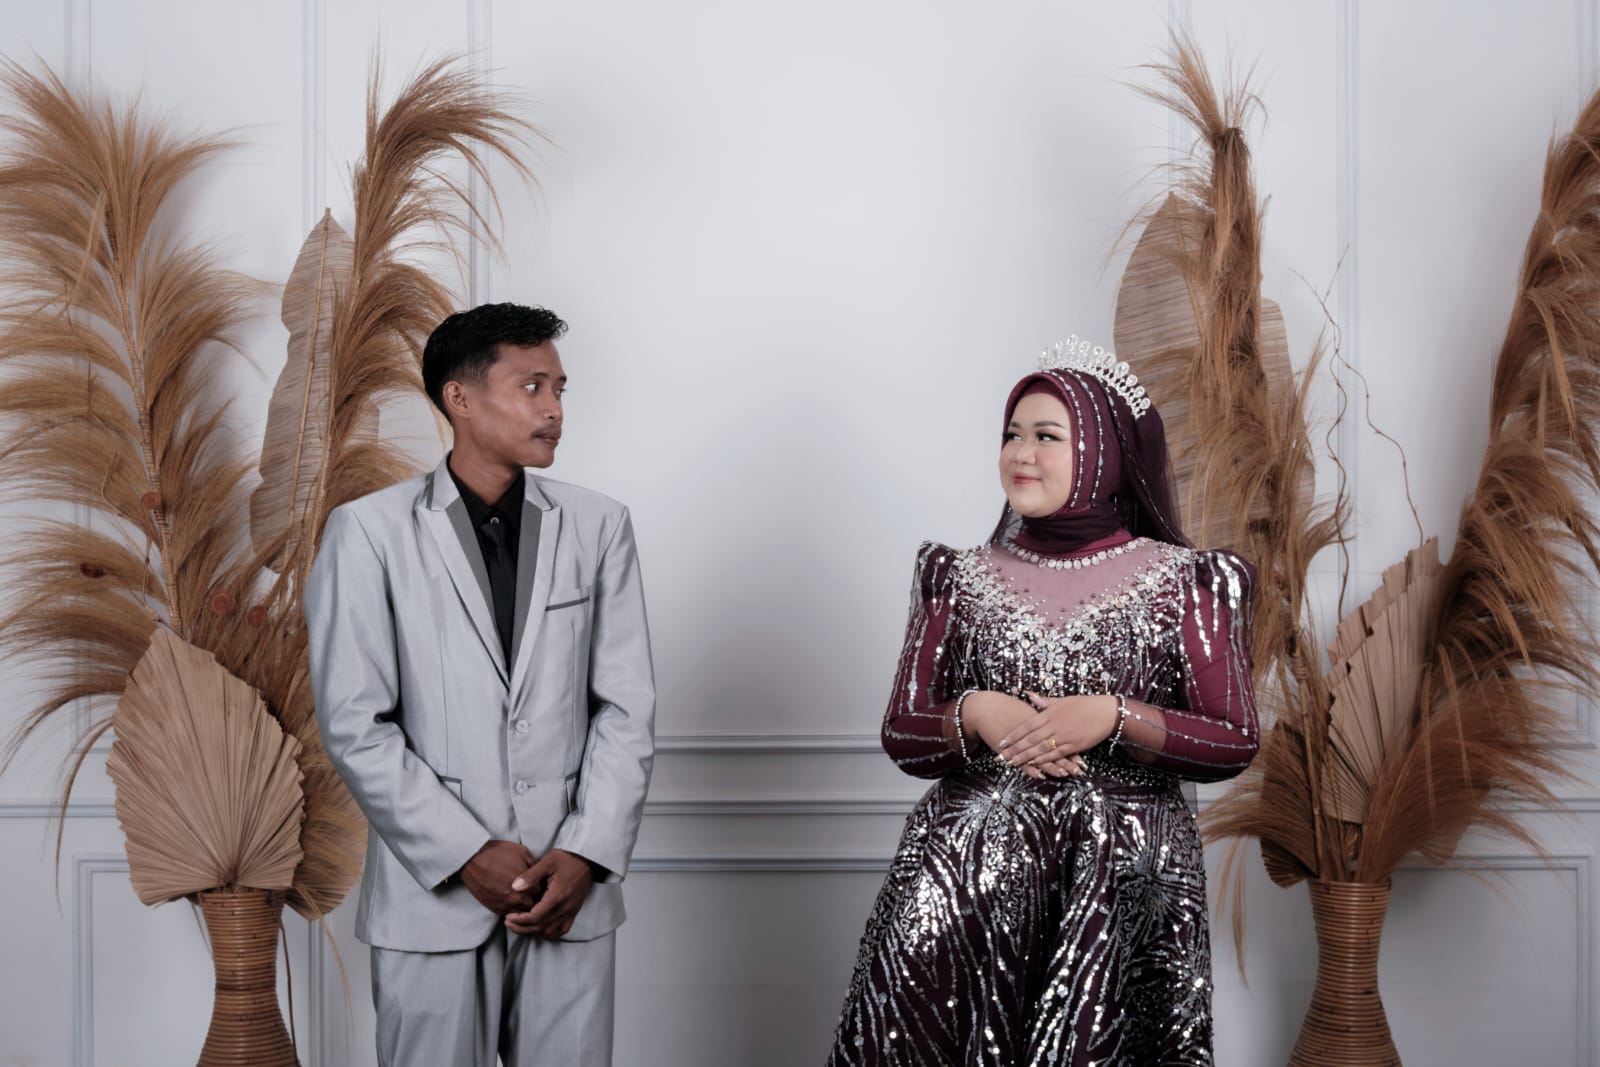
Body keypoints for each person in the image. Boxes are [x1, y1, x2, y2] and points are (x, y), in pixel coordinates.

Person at [828, 337, 1258, 1066]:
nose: (1021, 453)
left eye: (1047, 436)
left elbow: (1234, 737)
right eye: (1012, 434)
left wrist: (1112, 717)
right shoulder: (955, 576)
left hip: (1118, 895)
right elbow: (903, 731)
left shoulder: (1189, 582)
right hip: (962, 894)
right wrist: (977, 713)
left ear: (1104, 453)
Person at [305, 302, 655, 1066]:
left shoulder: (600, 526)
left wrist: (585, 853)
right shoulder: (368, 532)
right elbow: (355, 722)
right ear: (458, 397)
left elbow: (626, 709)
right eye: (532, 386)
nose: (555, 408)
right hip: (431, 900)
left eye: (560, 388)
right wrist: (466, 851)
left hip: (569, 895)